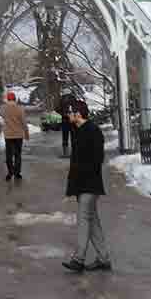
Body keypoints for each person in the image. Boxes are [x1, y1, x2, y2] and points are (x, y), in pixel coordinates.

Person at [63, 100, 112, 273]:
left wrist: (83, 176)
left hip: (90, 185)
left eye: (70, 112)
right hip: (81, 185)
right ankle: (103, 259)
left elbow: (97, 159)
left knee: (84, 219)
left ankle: (78, 259)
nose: (67, 115)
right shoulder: (76, 130)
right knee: (92, 222)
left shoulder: (93, 131)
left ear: (78, 114)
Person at [1, 90, 28, 181]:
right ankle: (17, 173)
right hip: (18, 135)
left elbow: (2, 115)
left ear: (8, 99)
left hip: (8, 135)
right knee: (17, 154)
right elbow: (24, 122)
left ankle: (10, 172)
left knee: (9, 155)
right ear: (15, 99)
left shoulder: (3, 108)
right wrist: (26, 133)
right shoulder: (20, 109)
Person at [59, 93, 76, 157]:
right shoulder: (73, 98)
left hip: (65, 120)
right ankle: (74, 152)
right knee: (73, 136)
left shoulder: (62, 99)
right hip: (72, 120)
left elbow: (58, 109)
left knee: (65, 137)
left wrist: (63, 113)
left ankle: (65, 153)